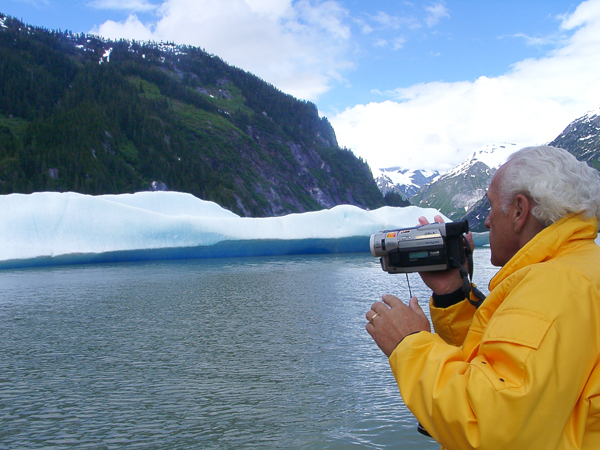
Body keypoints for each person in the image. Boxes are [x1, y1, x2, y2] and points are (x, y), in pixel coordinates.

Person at [365, 145, 600, 449]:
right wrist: (452, 292)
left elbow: (492, 427)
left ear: (519, 210)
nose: (487, 222)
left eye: (490, 207)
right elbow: (507, 370)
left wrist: (409, 344)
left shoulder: (554, 288)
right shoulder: (578, 268)